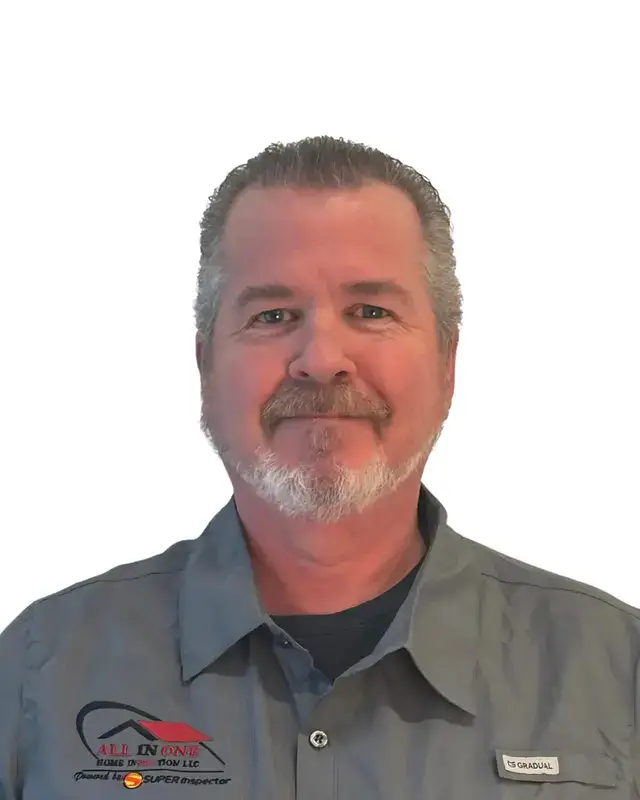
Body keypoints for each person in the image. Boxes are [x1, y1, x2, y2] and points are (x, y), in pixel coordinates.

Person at [1, 135, 638, 799]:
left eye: (371, 311)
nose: (322, 357)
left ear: (447, 366)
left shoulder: (616, 674)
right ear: (205, 368)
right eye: (273, 314)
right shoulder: (39, 672)